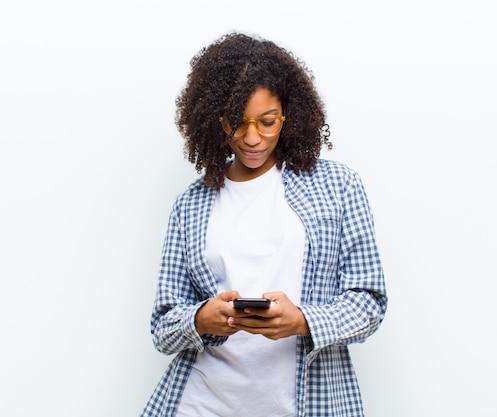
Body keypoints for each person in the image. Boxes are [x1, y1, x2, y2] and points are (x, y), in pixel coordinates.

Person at [140, 32, 387, 417]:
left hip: (306, 403)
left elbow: (369, 302)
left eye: (268, 122)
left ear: (288, 115)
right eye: (236, 123)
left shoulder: (338, 186)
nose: (252, 138)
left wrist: (303, 320)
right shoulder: (190, 204)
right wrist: (201, 317)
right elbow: (163, 325)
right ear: (215, 121)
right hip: (201, 403)